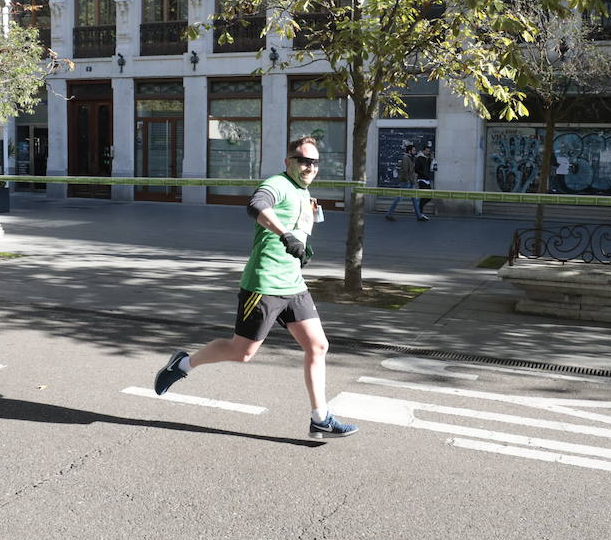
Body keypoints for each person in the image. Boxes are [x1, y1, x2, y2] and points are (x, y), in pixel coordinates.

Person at [154, 136, 359, 440]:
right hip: (263, 284)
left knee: (318, 346)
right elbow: (256, 204)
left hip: (293, 285)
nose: (310, 167)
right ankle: (182, 363)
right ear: (288, 161)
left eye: (315, 162)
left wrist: (302, 242)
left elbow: (296, 226)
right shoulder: (277, 183)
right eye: (303, 160)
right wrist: (287, 235)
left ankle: (321, 419)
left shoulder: (302, 191)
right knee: (242, 352)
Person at [385, 143, 428, 222]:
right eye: (414, 150)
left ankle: (419, 216)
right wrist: (408, 180)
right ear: (409, 151)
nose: (415, 151)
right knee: (399, 198)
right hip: (406, 182)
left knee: (414, 199)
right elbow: (405, 170)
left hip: (410, 181)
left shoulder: (411, 158)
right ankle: (389, 214)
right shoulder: (406, 158)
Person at [414, 146, 436, 215]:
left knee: (429, 197)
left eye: (428, 151)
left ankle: (419, 209)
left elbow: (429, 168)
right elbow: (416, 169)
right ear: (423, 151)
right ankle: (420, 212)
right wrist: (424, 174)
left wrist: (431, 160)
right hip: (421, 179)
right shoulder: (419, 158)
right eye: (426, 151)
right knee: (424, 196)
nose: (427, 152)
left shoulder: (427, 158)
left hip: (426, 179)